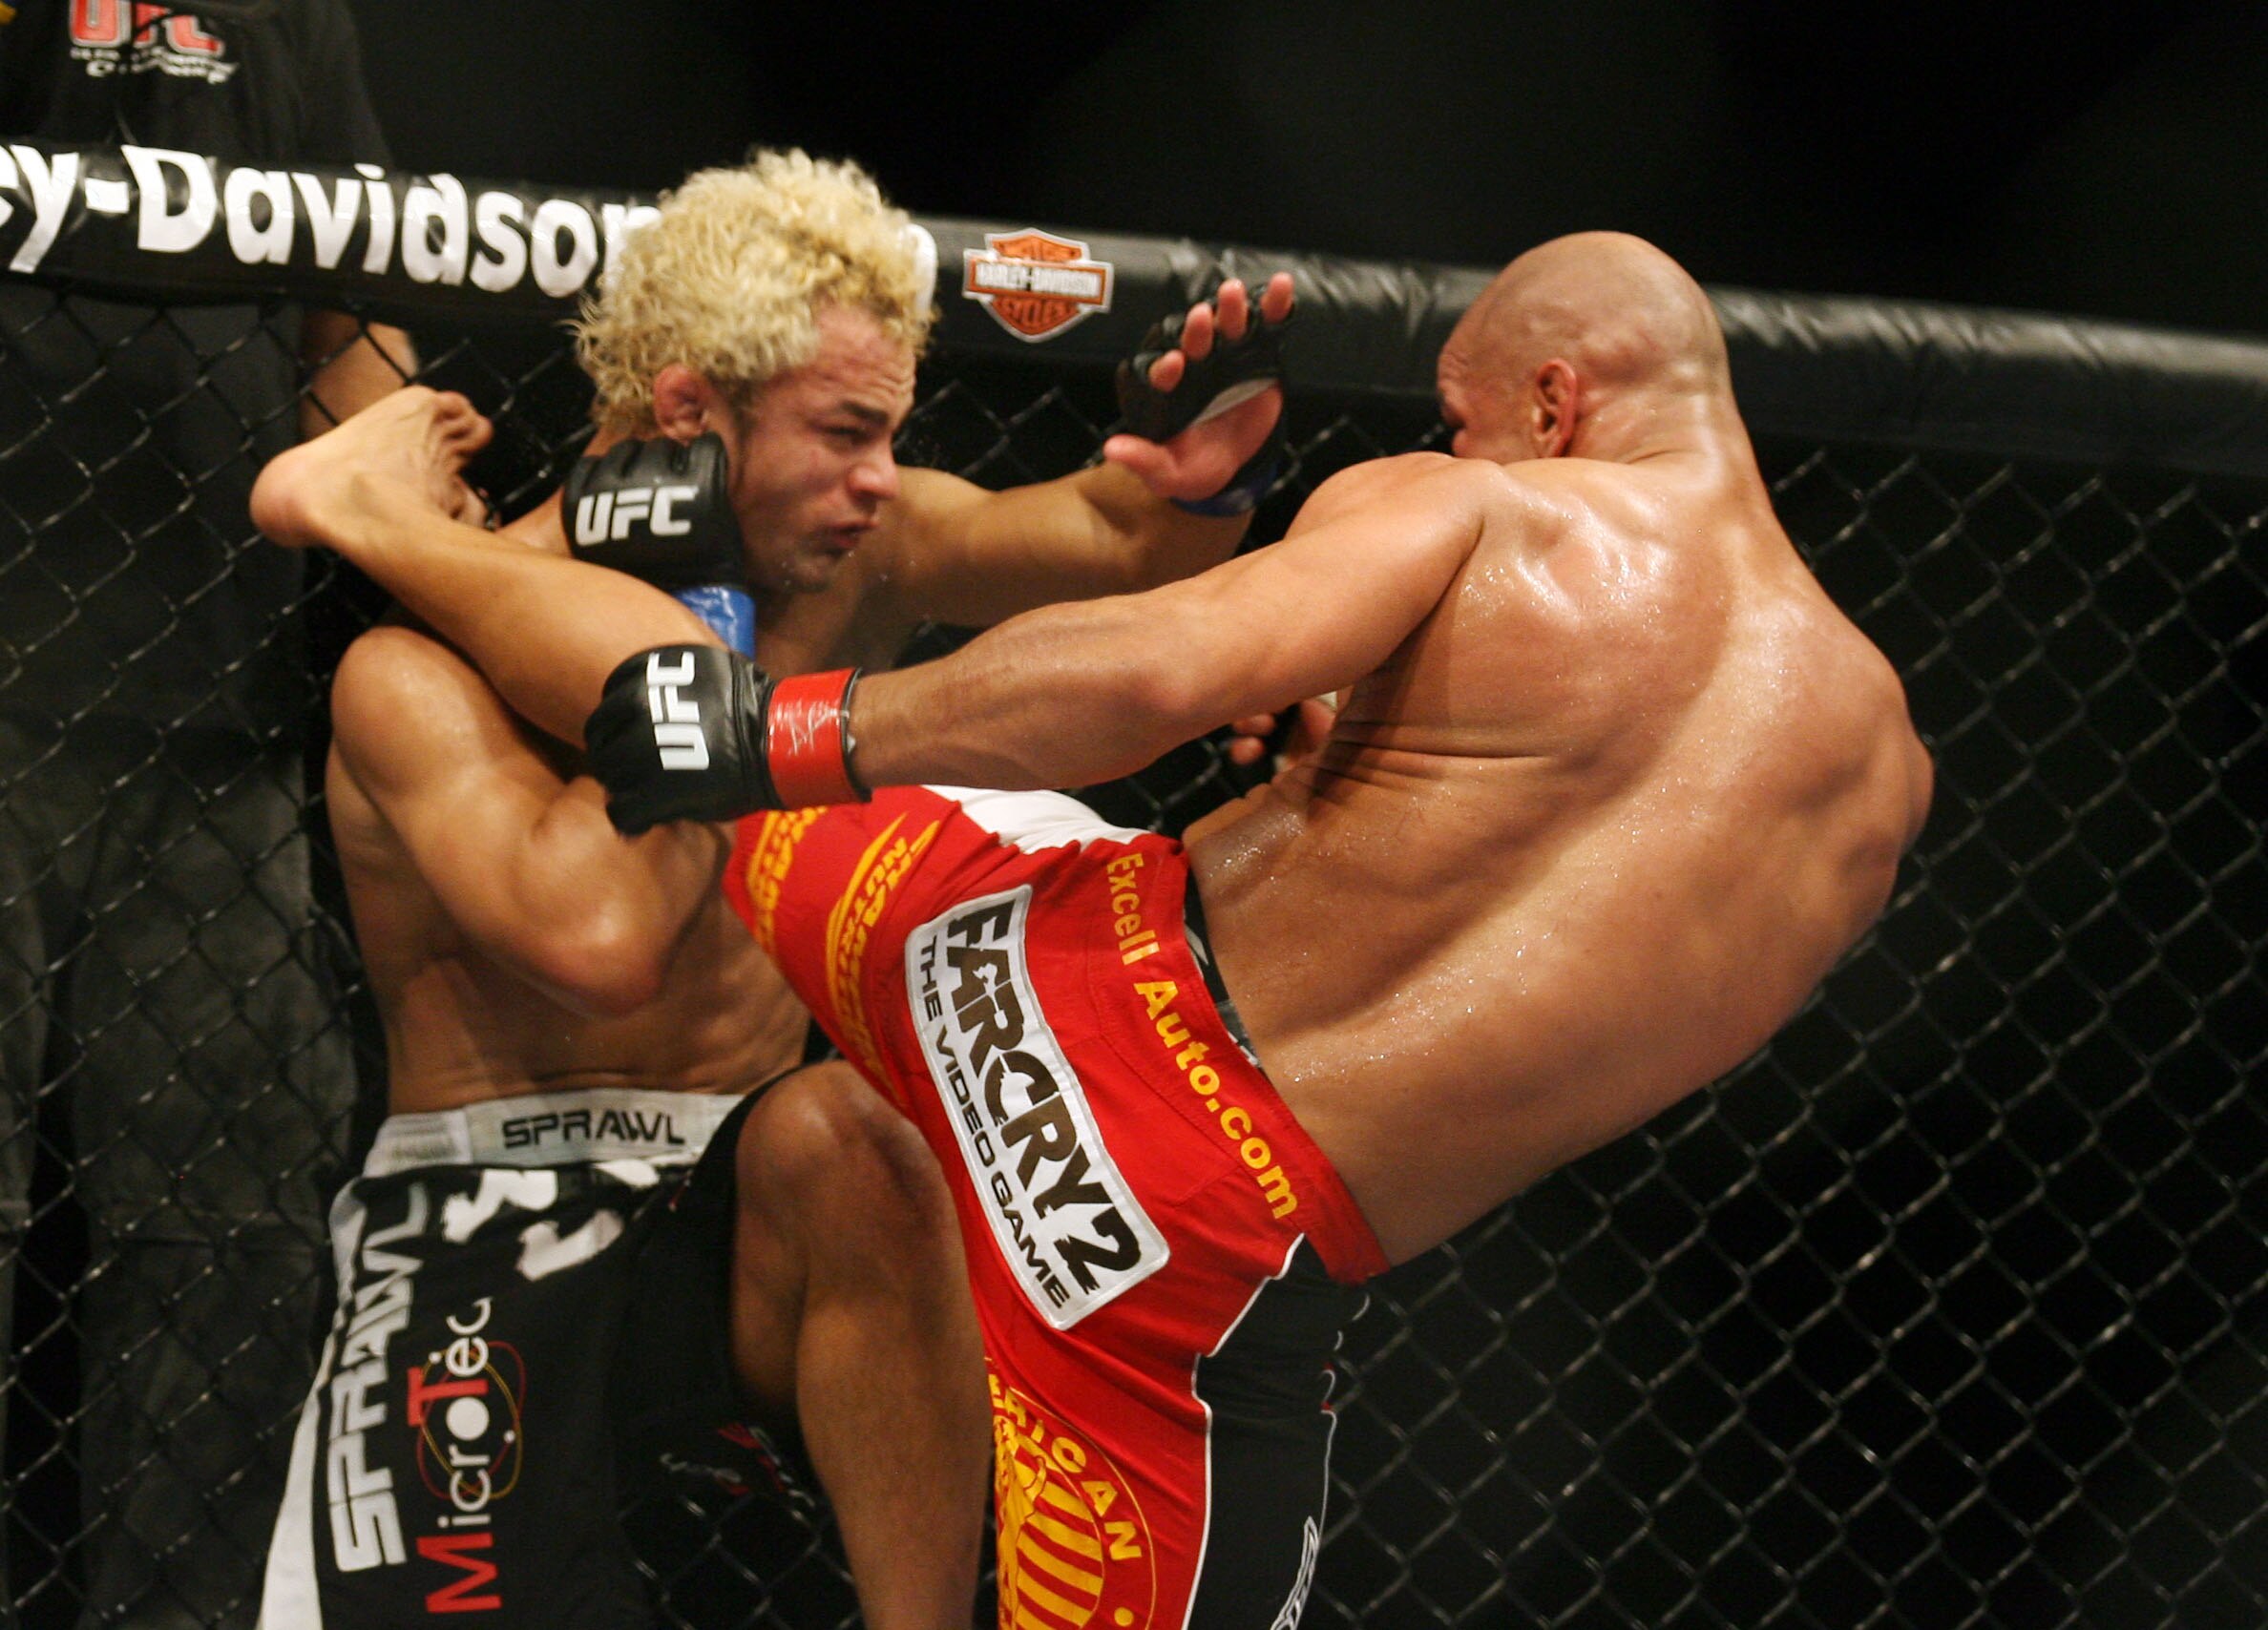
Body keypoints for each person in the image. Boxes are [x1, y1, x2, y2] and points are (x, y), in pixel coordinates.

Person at [254, 230, 1915, 1630]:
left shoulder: (1483, 513)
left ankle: (385, 522)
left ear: (1558, 406)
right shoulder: (1874, 791)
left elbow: (1151, 674)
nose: (1454, 445)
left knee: (734, 743)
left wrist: (801, 734)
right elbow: (1548, 942)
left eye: (1469, 419)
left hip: (1049, 1000)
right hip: (1221, 1282)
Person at [244, 148, 1294, 1630]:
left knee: (858, 1135)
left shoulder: (847, 562)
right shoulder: (415, 668)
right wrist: (703, 655)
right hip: (490, 1214)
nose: (883, 482)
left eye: (894, 436)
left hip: (738, 1211)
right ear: (688, 410)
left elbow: (1114, 542)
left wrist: (1206, 481)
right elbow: (600, 935)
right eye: (847, 433)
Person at [0, 5, 411, 1626]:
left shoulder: (286, 11)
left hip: (215, 715)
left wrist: (408, 509)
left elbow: (351, 309)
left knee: (234, 1232)